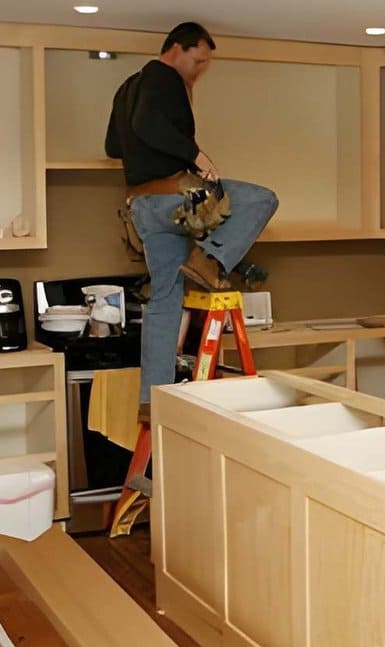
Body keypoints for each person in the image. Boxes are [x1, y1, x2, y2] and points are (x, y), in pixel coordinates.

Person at [105, 22, 278, 409]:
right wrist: (195, 156)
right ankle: (210, 260)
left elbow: (114, 144)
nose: (199, 70)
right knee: (262, 199)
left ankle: (153, 399)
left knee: (164, 301)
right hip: (173, 197)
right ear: (177, 50)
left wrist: (148, 153)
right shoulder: (163, 77)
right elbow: (146, 124)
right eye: (198, 61)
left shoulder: (126, 89)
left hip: (141, 208)